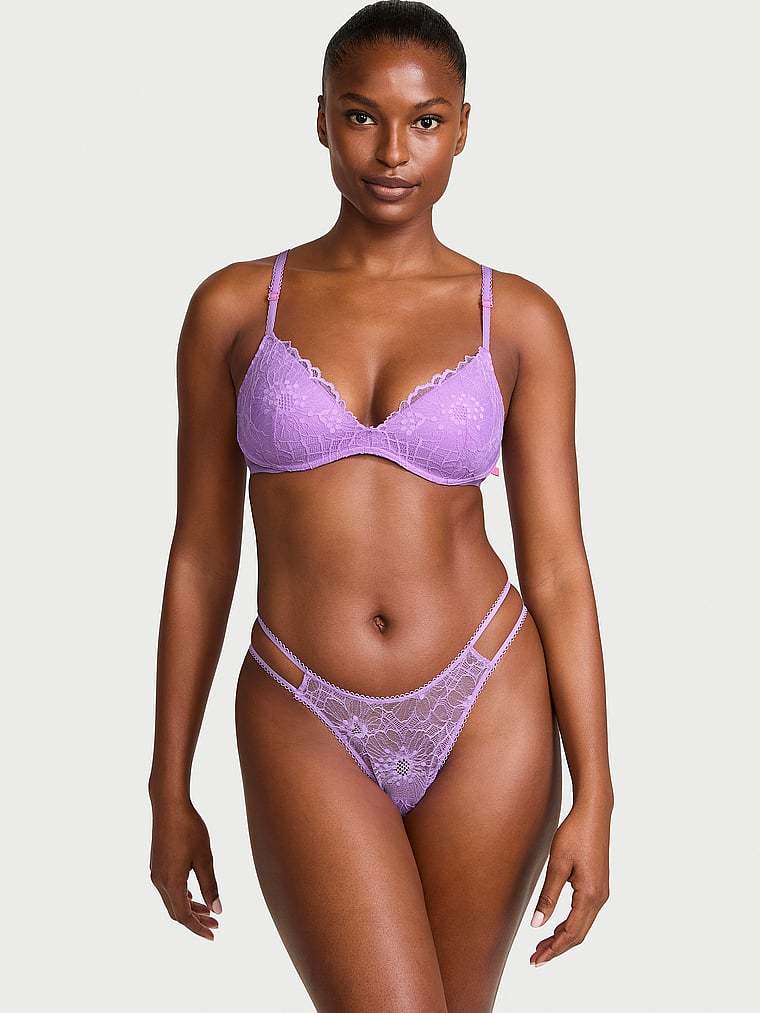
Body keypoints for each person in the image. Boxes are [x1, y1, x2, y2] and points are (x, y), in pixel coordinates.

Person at [148, 2, 613, 1009]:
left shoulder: (518, 318)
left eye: (425, 121)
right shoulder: (234, 307)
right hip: (302, 707)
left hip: (487, 701)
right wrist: (165, 782)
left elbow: (558, 567)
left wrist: (598, 792)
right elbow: (200, 557)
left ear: (463, 126)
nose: (393, 152)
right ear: (320, 118)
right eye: (362, 116)